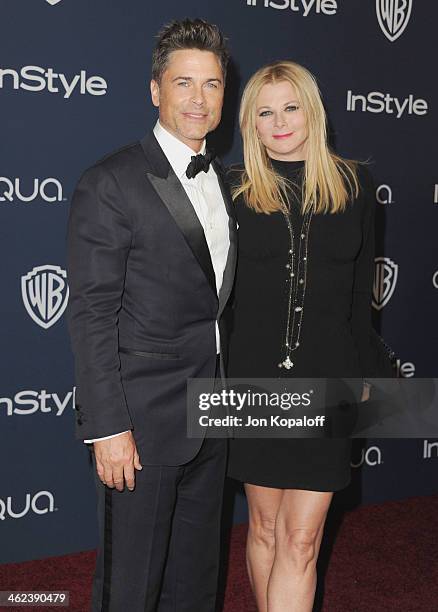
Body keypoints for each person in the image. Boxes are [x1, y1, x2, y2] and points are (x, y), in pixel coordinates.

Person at [67, 19, 237, 612]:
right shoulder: (111, 182)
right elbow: (91, 314)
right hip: (139, 426)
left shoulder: (227, 181)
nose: (199, 99)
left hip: (212, 417)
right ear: (154, 90)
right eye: (183, 82)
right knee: (130, 590)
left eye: (212, 84)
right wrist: (108, 428)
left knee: (196, 584)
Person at [226, 61, 392, 611]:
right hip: (251, 382)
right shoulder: (233, 190)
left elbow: (359, 296)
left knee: (302, 539)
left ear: (312, 111)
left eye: (290, 107)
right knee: (267, 529)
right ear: (250, 122)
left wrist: (367, 379)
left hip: (330, 379)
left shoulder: (353, 184)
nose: (279, 123)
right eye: (265, 112)